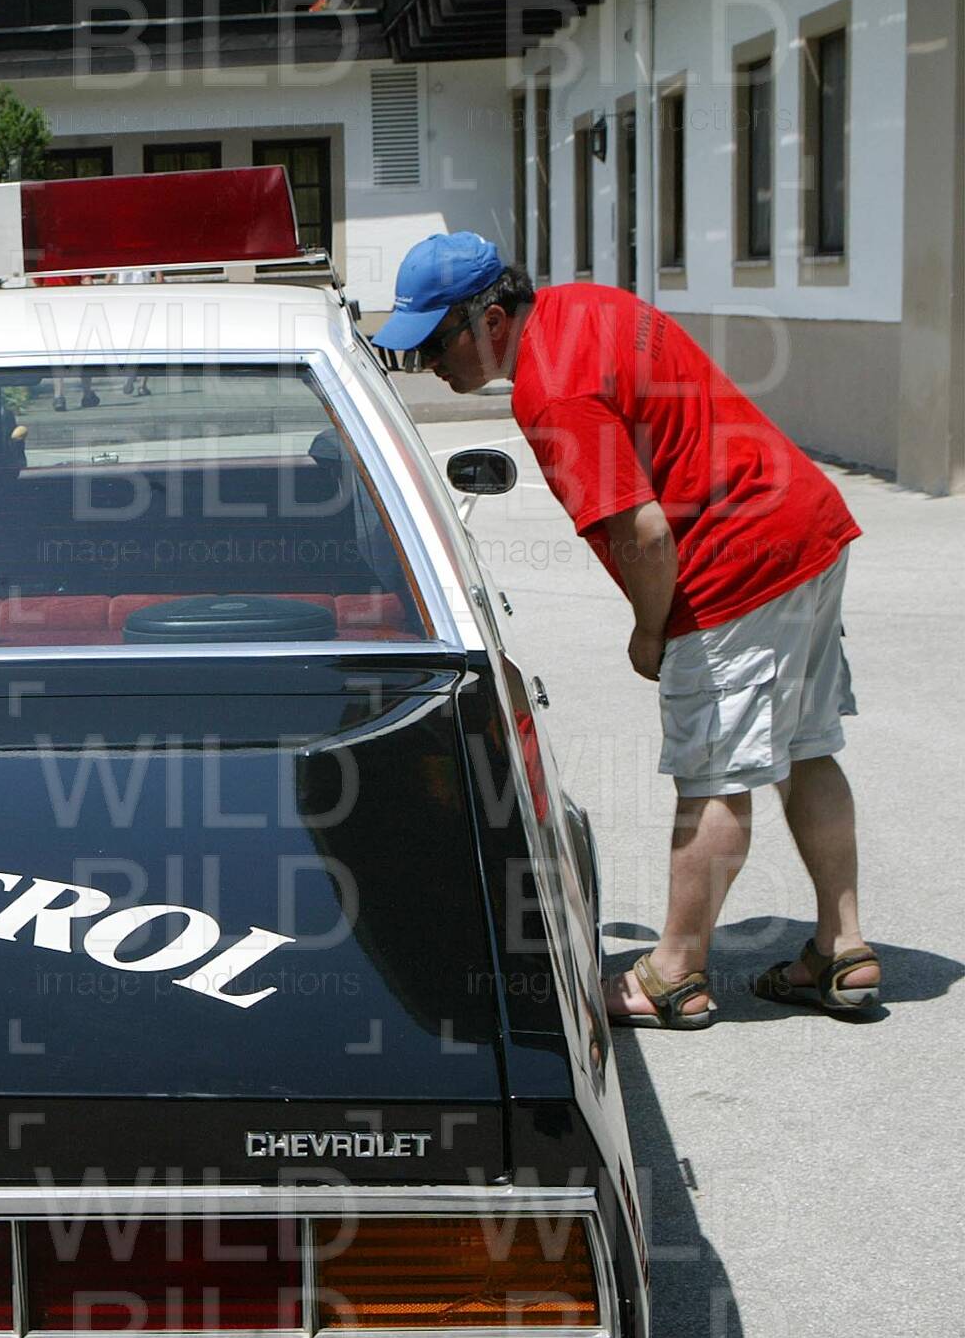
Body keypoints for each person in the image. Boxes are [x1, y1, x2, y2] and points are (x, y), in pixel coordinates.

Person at [373, 232, 878, 1029]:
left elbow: (643, 531)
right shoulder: (587, 304)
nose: (429, 364)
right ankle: (843, 949)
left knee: (714, 777)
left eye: (436, 343)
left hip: (735, 563)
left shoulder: (551, 392)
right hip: (803, 523)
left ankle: (674, 974)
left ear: (491, 320)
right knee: (808, 747)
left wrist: (650, 630)